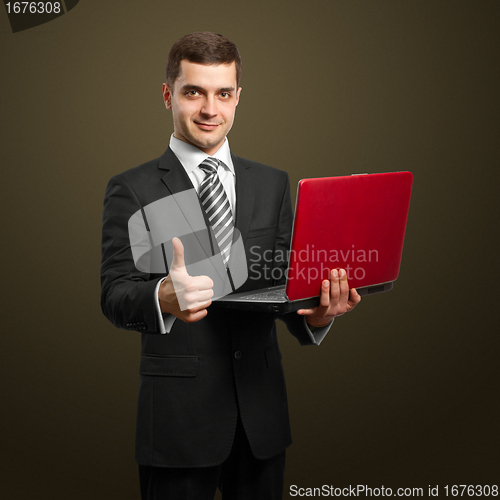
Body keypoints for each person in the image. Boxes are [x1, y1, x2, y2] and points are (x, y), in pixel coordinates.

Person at [101, 31, 361, 500]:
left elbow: (281, 288)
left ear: (238, 97)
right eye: (193, 92)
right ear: (168, 95)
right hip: (178, 424)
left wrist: (318, 316)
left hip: (261, 420)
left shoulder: (273, 184)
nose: (209, 109)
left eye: (223, 93)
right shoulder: (132, 188)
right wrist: (163, 295)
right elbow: (114, 292)